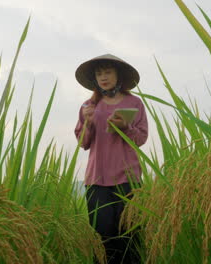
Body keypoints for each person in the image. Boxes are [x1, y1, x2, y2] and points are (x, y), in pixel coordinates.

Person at [74, 54, 148, 264]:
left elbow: (141, 138)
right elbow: (83, 143)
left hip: (128, 179)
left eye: (107, 72)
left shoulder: (134, 103)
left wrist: (126, 127)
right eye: (99, 73)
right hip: (97, 180)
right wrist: (88, 122)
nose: (103, 77)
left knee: (130, 234)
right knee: (102, 234)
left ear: (118, 75)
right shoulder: (88, 106)